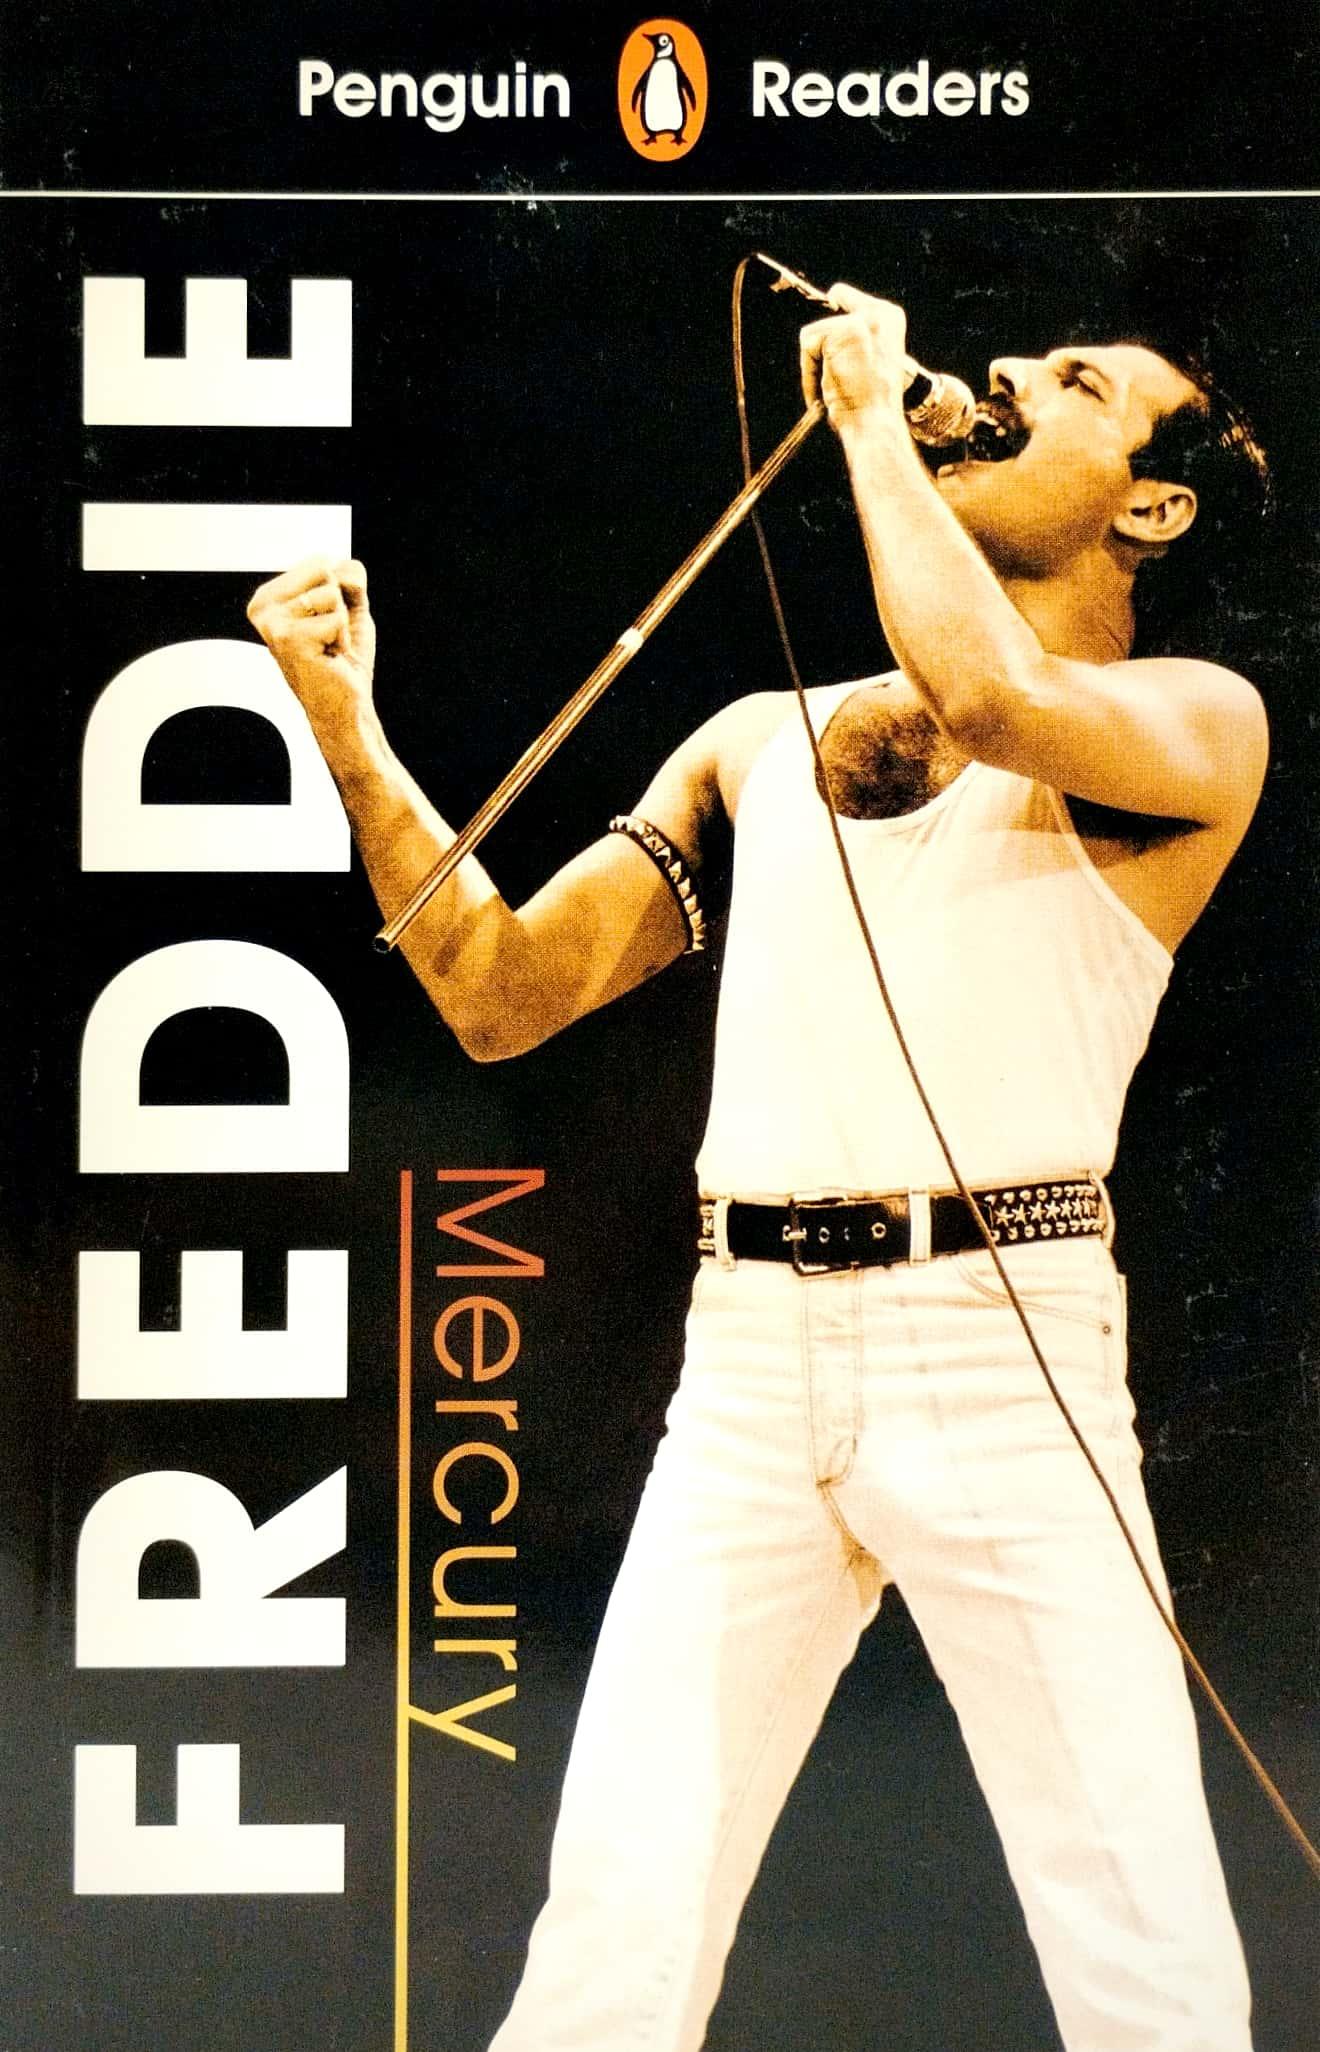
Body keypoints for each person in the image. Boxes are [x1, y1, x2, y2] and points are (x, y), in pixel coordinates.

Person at [248, 285, 1271, 2052]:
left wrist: (873, 414)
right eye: (1021, 361)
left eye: (1077, 384)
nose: (1009, 376)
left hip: (1002, 1346)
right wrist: (346, 729)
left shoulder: (1195, 721)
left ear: (1154, 505)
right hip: (750, 1361)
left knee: (1138, 1940)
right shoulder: (753, 740)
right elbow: (500, 991)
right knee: (616, 1926)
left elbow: (993, 693)